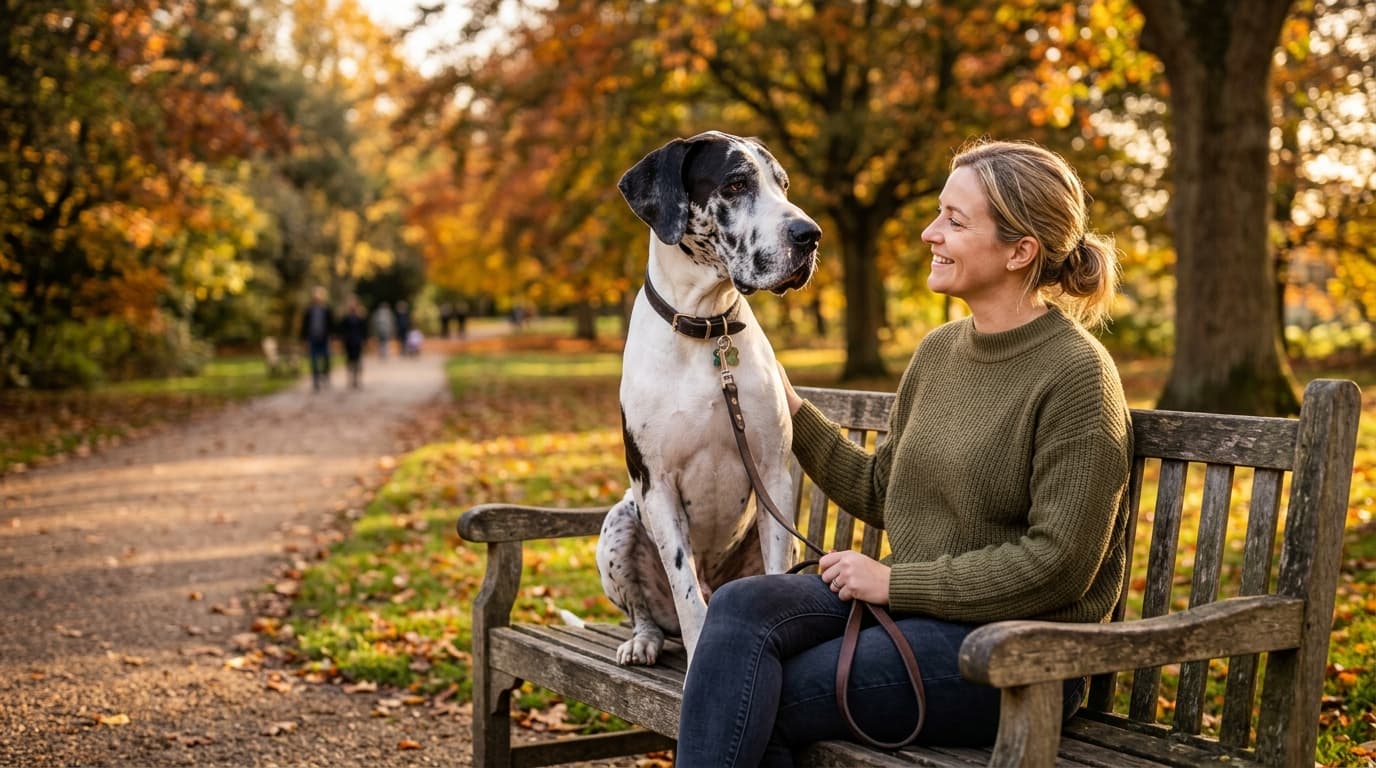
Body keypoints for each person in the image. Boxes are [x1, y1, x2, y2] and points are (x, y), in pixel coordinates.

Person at [676, 139, 1133, 766]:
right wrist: (787, 407)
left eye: (954, 220)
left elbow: (1059, 565)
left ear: (1019, 251)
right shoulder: (940, 351)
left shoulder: (1079, 375)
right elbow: (883, 489)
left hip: (1020, 653)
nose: (929, 232)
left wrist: (894, 581)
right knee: (741, 606)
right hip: (916, 615)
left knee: (765, 690)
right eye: (937, 213)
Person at [299, 285, 334, 391]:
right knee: (313, 359)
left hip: (324, 338)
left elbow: (331, 324)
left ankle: (326, 376)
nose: (317, 297)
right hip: (313, 338)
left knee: (326, 358)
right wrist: (303, 339)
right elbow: (304, 326)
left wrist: (332, 337)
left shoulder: (326, 309)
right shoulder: (309, 310)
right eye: (315, 295)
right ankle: (316, 380)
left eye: (319, 295)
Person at [338, 295, 367, 388]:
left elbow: (364, 330)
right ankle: (350, 379)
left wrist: (364, 340)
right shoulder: (346, 318)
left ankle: (356, 379)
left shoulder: (360, 317)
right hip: (349, 342)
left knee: (357, 361)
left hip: (357, 342)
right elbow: (341, 330)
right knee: (350, 361)